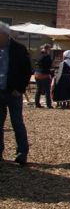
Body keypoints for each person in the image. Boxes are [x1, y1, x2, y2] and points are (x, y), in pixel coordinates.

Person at [0, 22, 32, 165]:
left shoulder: (19, 49)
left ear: (4, 35)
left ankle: (22, 153)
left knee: (17, 123)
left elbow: (27, 71)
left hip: (14, 93)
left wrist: (20, 88)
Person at [33, 44, 54, 109]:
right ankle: (48, 105)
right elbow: (49, 65)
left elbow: (36, 63)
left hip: (37, 74)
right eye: (49, 49)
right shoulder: (47, 56)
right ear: (47, 49)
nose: (50, 50)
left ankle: (37, 104)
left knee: (38, 90)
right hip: (44, 74)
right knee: (47, 90)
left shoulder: (39, 55)